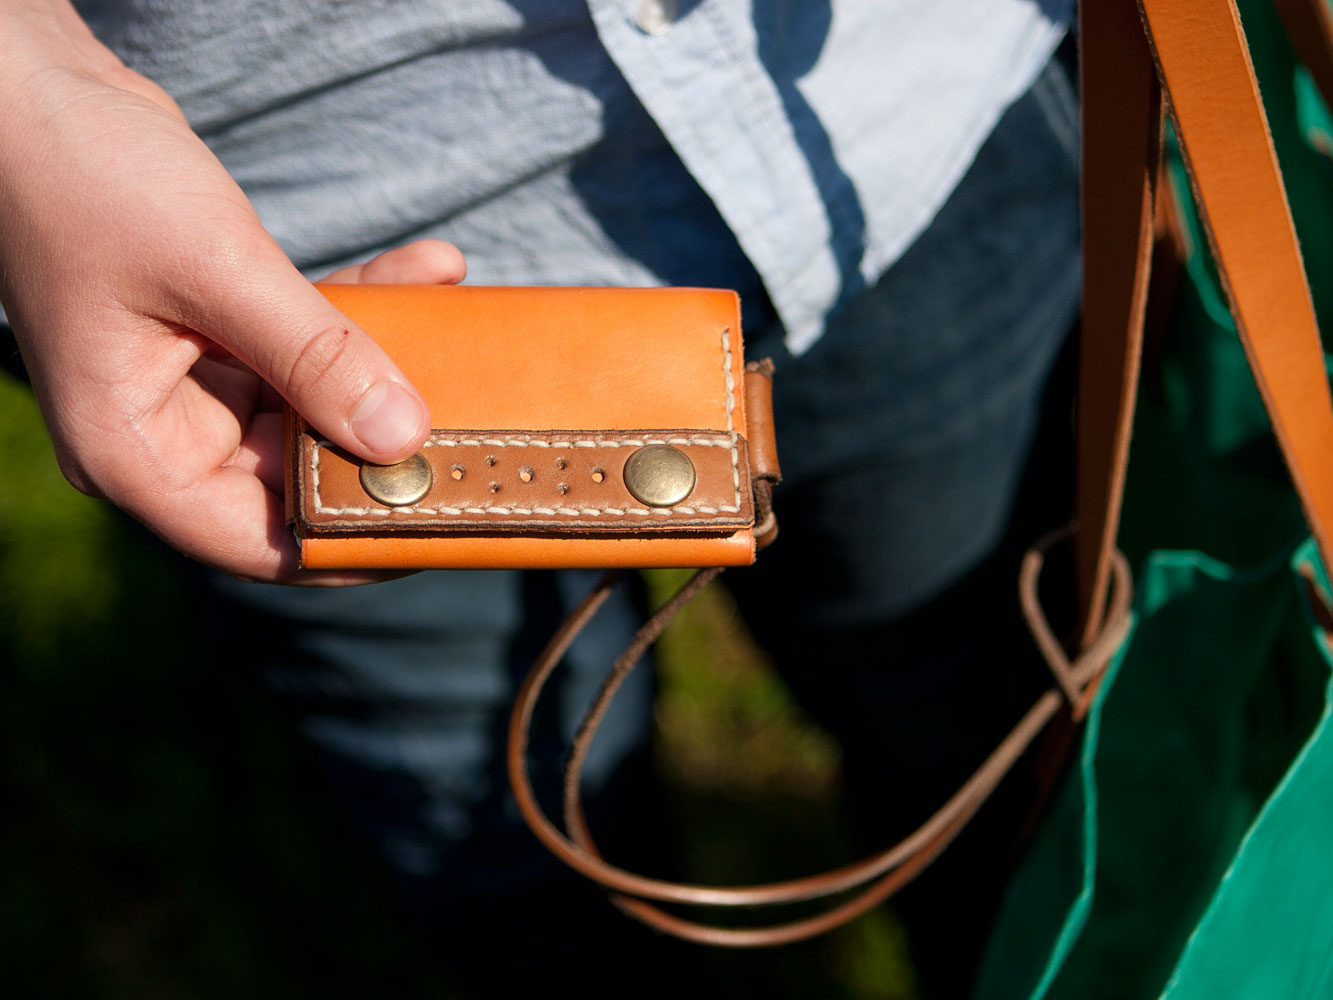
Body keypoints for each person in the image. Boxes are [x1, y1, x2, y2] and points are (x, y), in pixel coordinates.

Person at [1, 0, 1080, 994]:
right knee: (506, 857)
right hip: (256, 293)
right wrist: (27, 107)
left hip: (896, 140)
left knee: (986, 766)